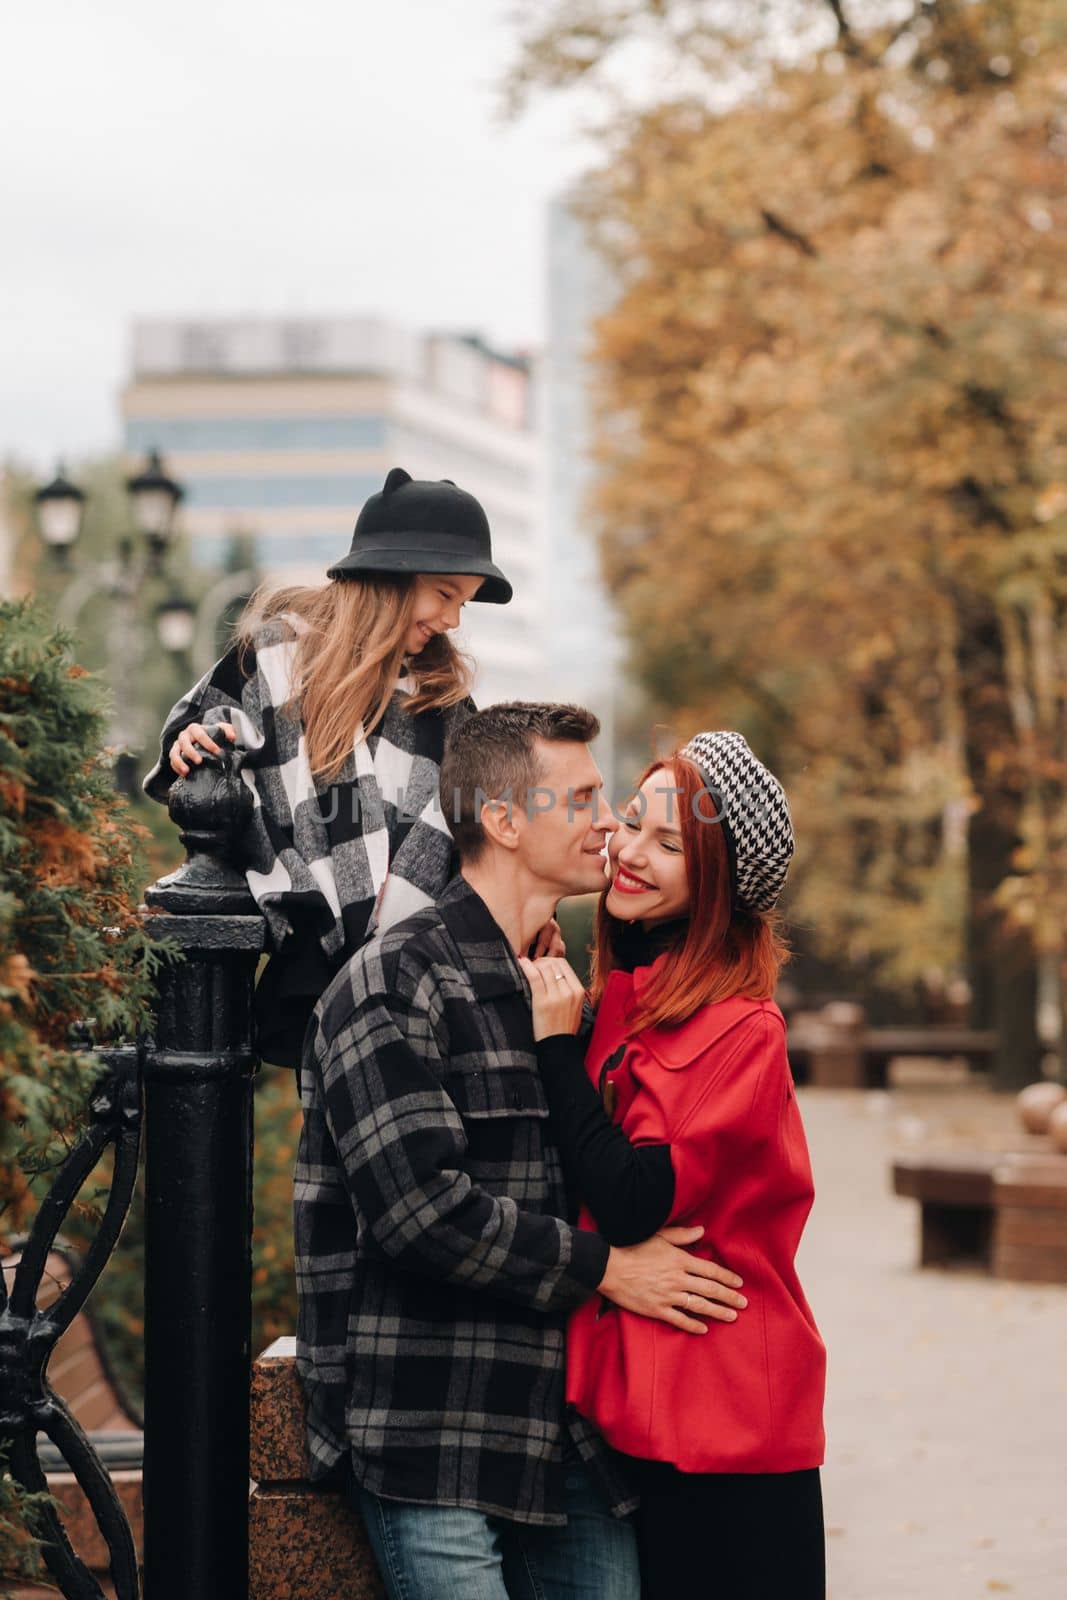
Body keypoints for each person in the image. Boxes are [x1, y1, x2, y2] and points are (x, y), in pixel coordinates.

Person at [295, 703, 749, 1600]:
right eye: (581, 798)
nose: (609, 822)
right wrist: (611, 1270)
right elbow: (422, 1213)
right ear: (503, 821)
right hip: (432, 1433)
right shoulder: (394, 980)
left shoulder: (555, 992)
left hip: (563, 1436)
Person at [520, 731, 827, 1599]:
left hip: (725, 1420)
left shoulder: (740, 1028)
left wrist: (552, 1049)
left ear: (717, 881)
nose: (628, 852)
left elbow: (631, 1198)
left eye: (669, 844)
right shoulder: (628, 998)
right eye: (632, 824)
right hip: (639, 1404)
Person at [143, 467, 560, 1067]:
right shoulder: (275, 654)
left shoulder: (444, 701)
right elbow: (203, 732)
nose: (454, 621)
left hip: (422, 982)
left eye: (463, 602)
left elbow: (490, 827)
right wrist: (193, 745)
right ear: (390, 578)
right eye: (445, 594)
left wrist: (531, 911)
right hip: (309, 974)